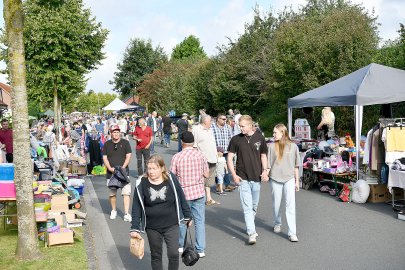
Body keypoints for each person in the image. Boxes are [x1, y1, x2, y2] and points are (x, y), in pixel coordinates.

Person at [130, 155, 192, 270]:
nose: (151, 172)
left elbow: (181, 196)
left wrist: (188, 215)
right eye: (149, 168)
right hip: (152, 226)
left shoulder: (171, 179)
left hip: (172, 224)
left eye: (154, 168)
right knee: (156, 255)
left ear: (162, 168)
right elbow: (136, 207)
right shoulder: (141, 183)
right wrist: (135, 228)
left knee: (173, 254)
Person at [227, 115, 268, 245]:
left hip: (256, 177)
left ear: (251, 125)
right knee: (247, 206)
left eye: (243, 126)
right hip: (242, 176)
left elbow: (263, 155)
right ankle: (251, 233)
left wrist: (265, 171)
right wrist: (233, 174)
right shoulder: (236, 140)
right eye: (240, 126)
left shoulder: (260, 138)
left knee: (254, 205)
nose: (241, 128)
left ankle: (250, 224)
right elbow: (229, 158)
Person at [170, 131, 209, 258]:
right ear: (193, 142)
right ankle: (200, 248)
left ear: (182, 142)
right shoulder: (201, 155)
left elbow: (172, 177)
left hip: (184, 194)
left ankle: (180, 245)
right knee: (199, 221)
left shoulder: (177, 157)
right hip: (199, 192)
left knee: (182, 221)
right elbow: (207, 174)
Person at [267, 123, 300, 242]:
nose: (273, 134)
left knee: (290, 205)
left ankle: (292, 233)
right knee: (276, 204)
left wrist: (297, 181)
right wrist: (265, 174)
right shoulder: (271, 146)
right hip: (275, 178)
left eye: (275, 132)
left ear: (283, 132)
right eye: (273, 132)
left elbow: (296, 166)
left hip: (289, 178)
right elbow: (268, 165)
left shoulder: (293, 147)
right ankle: (277, 222)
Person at [102, 124, 132, 222]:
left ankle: (127, 213)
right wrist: (110, 168)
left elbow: (128, 156)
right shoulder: (107, 144)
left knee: (126, 193)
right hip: (111, 173)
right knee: (112, 193)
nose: (116, 134)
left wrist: (123, 167)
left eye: (117, 132)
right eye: (114, 132)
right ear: (111, 133)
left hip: (124, 172)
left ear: (120, 133)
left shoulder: (126, 142)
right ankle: (113, 210)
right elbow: (104, 157)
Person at [192, 115, 219, 206]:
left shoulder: (210, 129)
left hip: (213, 158)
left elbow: (212, 143)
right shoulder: (196, 129)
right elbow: (194, 145)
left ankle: (209, 198)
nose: (212, 122)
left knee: (209, 180)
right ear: (204, 121)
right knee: (201, 179)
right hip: (203, 159)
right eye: (210, 121)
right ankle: (198, 198)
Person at [211, 113, 236, 192]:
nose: (225, 120)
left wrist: (232, 149)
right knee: (217, 169)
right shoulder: (212, 127)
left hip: (226, 151)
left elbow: (231, 138)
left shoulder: (228, 127)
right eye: (223, 119)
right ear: (218, 119)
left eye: (225, 119)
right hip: (216, 152)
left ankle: (227, 184)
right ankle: (218, 185)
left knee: (226, 169)